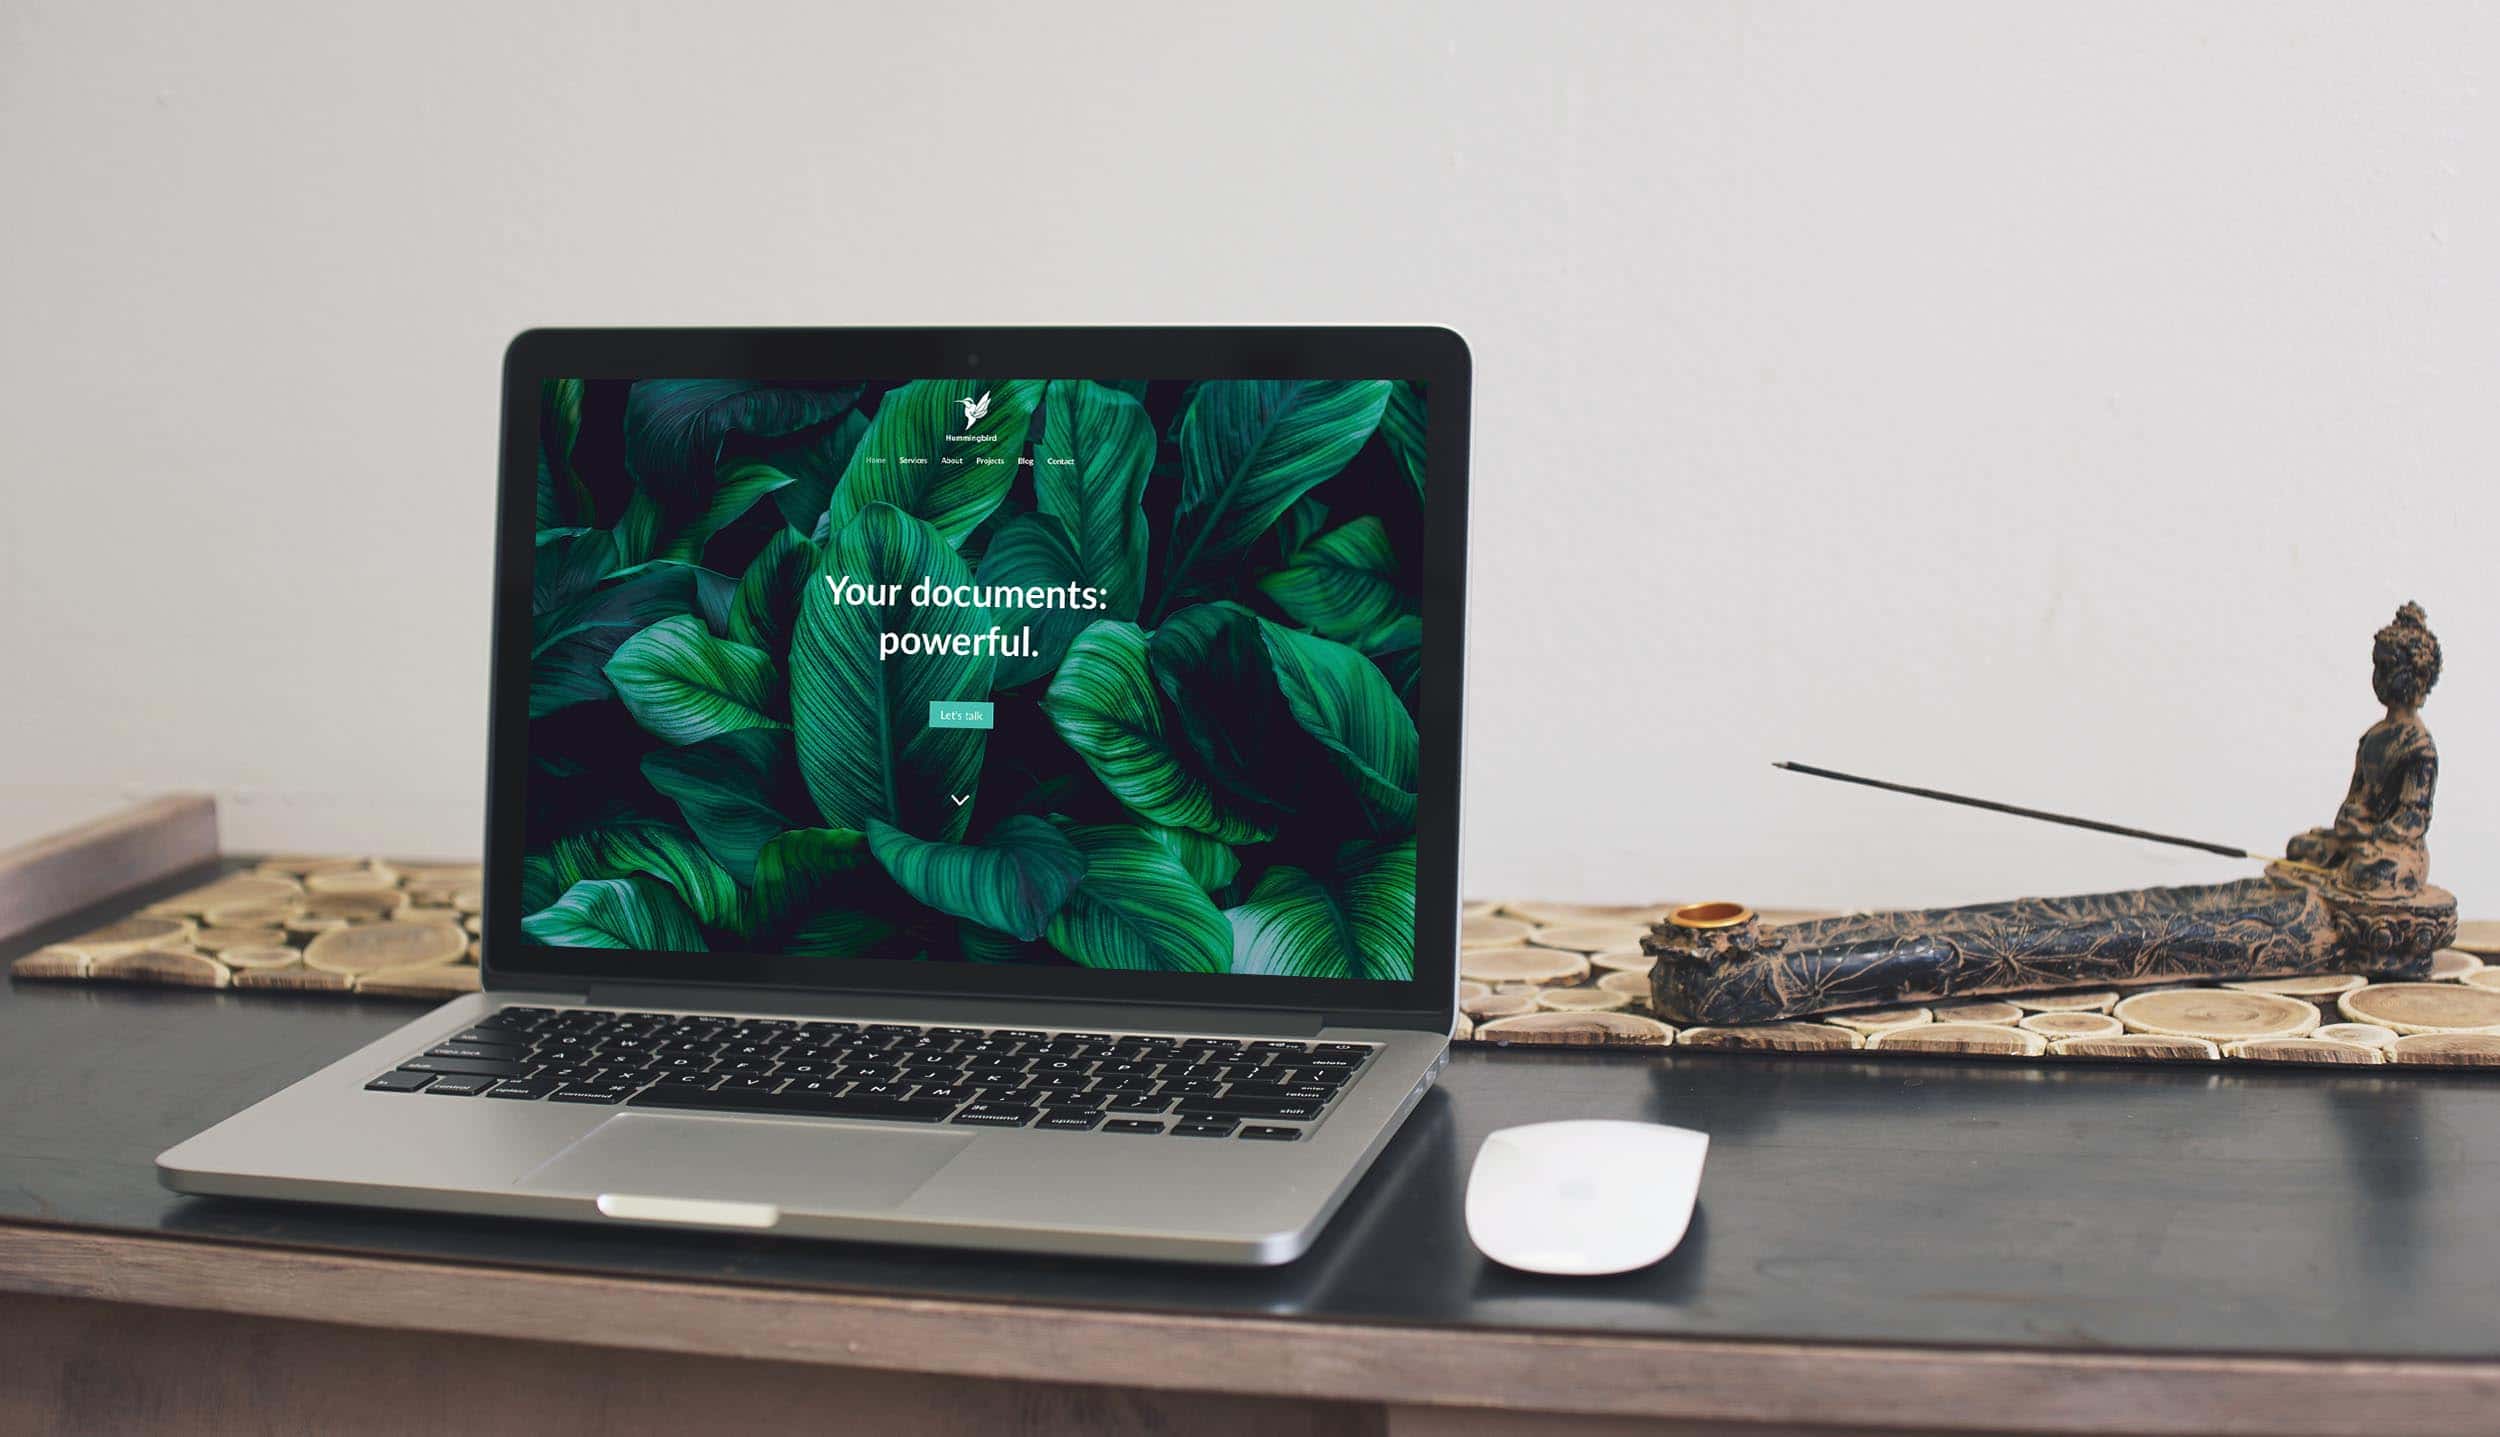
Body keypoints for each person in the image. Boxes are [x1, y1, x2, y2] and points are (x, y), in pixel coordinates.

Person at [2286, 603, 2441, 896]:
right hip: (2358, 840)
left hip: (2395, 850)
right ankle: (2333, 876)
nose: (2380, 676)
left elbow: (2413, 819)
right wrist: (2348, 822)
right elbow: (2356, 796)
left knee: (2368, 871)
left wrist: (2370, 833)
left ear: (2417, 675)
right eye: (2377, 667)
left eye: (2388, 667)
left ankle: (2339, 882)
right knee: (2298, 847)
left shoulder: (2419, 748)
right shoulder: (2372, 737)